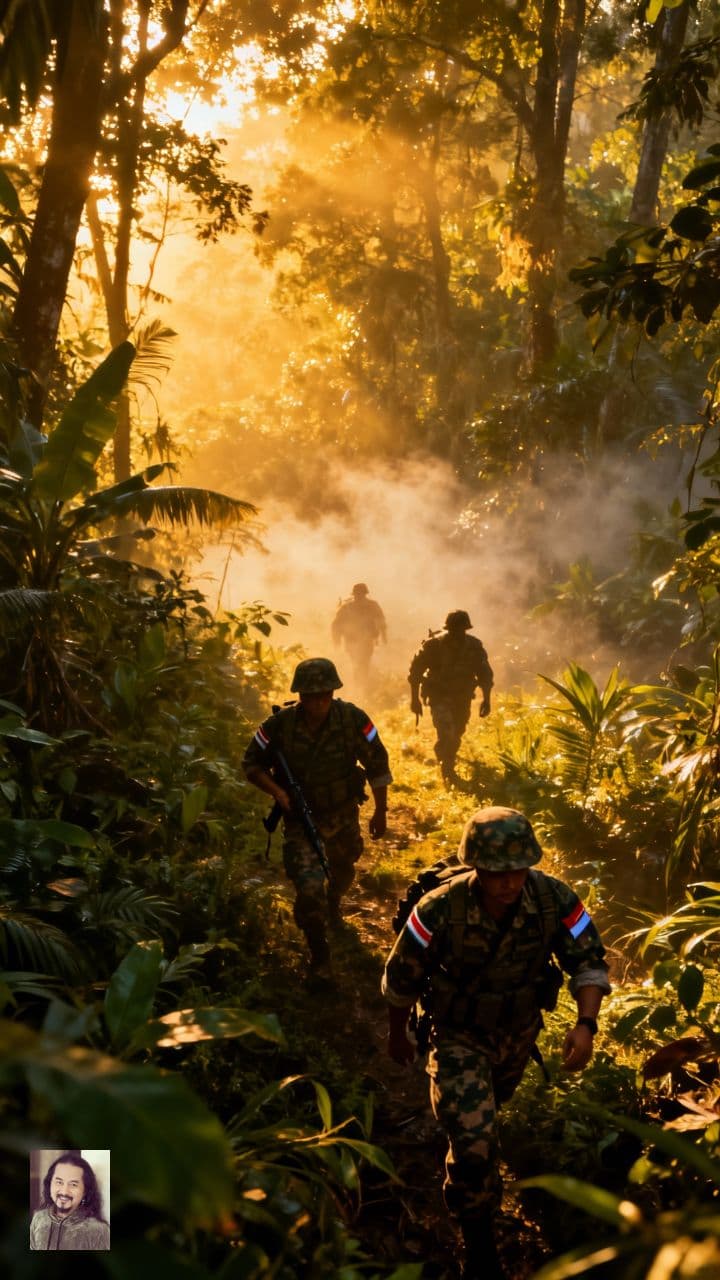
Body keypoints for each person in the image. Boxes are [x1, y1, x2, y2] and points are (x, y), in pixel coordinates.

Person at [382, 806, 611, 1280]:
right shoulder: (437, 909)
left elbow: (589, 960)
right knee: (474, 1144)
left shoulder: (554, 899)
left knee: (489, 1113)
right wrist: (397, 1033)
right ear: (475, 867)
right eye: (495, 873)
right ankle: (480, 1244)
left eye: (517, 870)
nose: (508, 883)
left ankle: (474, 1155)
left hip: (518, 1033)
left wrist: (586, 1024)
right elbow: (401, 979)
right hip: (458, 1035)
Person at [242, 657, 392, 981]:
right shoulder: (279, 726)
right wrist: (278, 793)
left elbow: (378, 764)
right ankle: (319, 953)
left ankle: (333, 901)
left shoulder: (353, 719)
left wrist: (381, 810)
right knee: (309, 887)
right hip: (300, 819)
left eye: (324, 694)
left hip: (342, 814)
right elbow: (251, 764)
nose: (318, 702)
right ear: (300, 695)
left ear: (333, 692)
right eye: (310, 696)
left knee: (343, 867)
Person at [408, 610, 493, 786]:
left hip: (462, 697)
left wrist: (487, 700)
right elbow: (415, 672)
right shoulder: (433, 646)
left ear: (466, 629)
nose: (457, 634)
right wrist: (414, 700)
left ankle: (446, 757)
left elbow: (485, 674)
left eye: (461, 630)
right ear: (448, 629)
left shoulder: (474, 647)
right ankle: (448, 771)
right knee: (446, 732)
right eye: (454, 630)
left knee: (457, 733)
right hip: (438, 695)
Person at [30, 1152, 110, 1250]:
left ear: (85, 1191)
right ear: (49, 1184)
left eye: (73, 1184)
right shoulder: (38, 1218)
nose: (64, 1192)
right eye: (59, 1182)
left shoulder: (98, 1230)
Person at [331, 583, 387, 686]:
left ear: (364, 594)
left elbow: (381, 621)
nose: (359, 596)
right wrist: (336, 640)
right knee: (358, 663)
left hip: (366, 641)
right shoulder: (347, 607)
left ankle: (361, 684)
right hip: (352, 642)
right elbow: (336, 625)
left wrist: (384, 636)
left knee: (363, 663)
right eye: (358, 594)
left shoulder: (371, 606)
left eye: (361, 594)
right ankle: (360, 684)